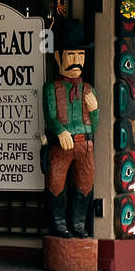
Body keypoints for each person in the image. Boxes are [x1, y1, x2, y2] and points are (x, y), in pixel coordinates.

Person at [43, 20, 97, 239]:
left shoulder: (88, 88)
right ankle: (58, 223)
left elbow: (97, 123)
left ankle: (78, 223)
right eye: (72, 56)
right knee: (56, 182)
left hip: (85, 145)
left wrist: (94, 112)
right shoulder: (52, 88)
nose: (77, 62)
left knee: (85, 183)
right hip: (62, 145)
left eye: (81, 56)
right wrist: (59, 130)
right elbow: (50, 115)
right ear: (58, 57)